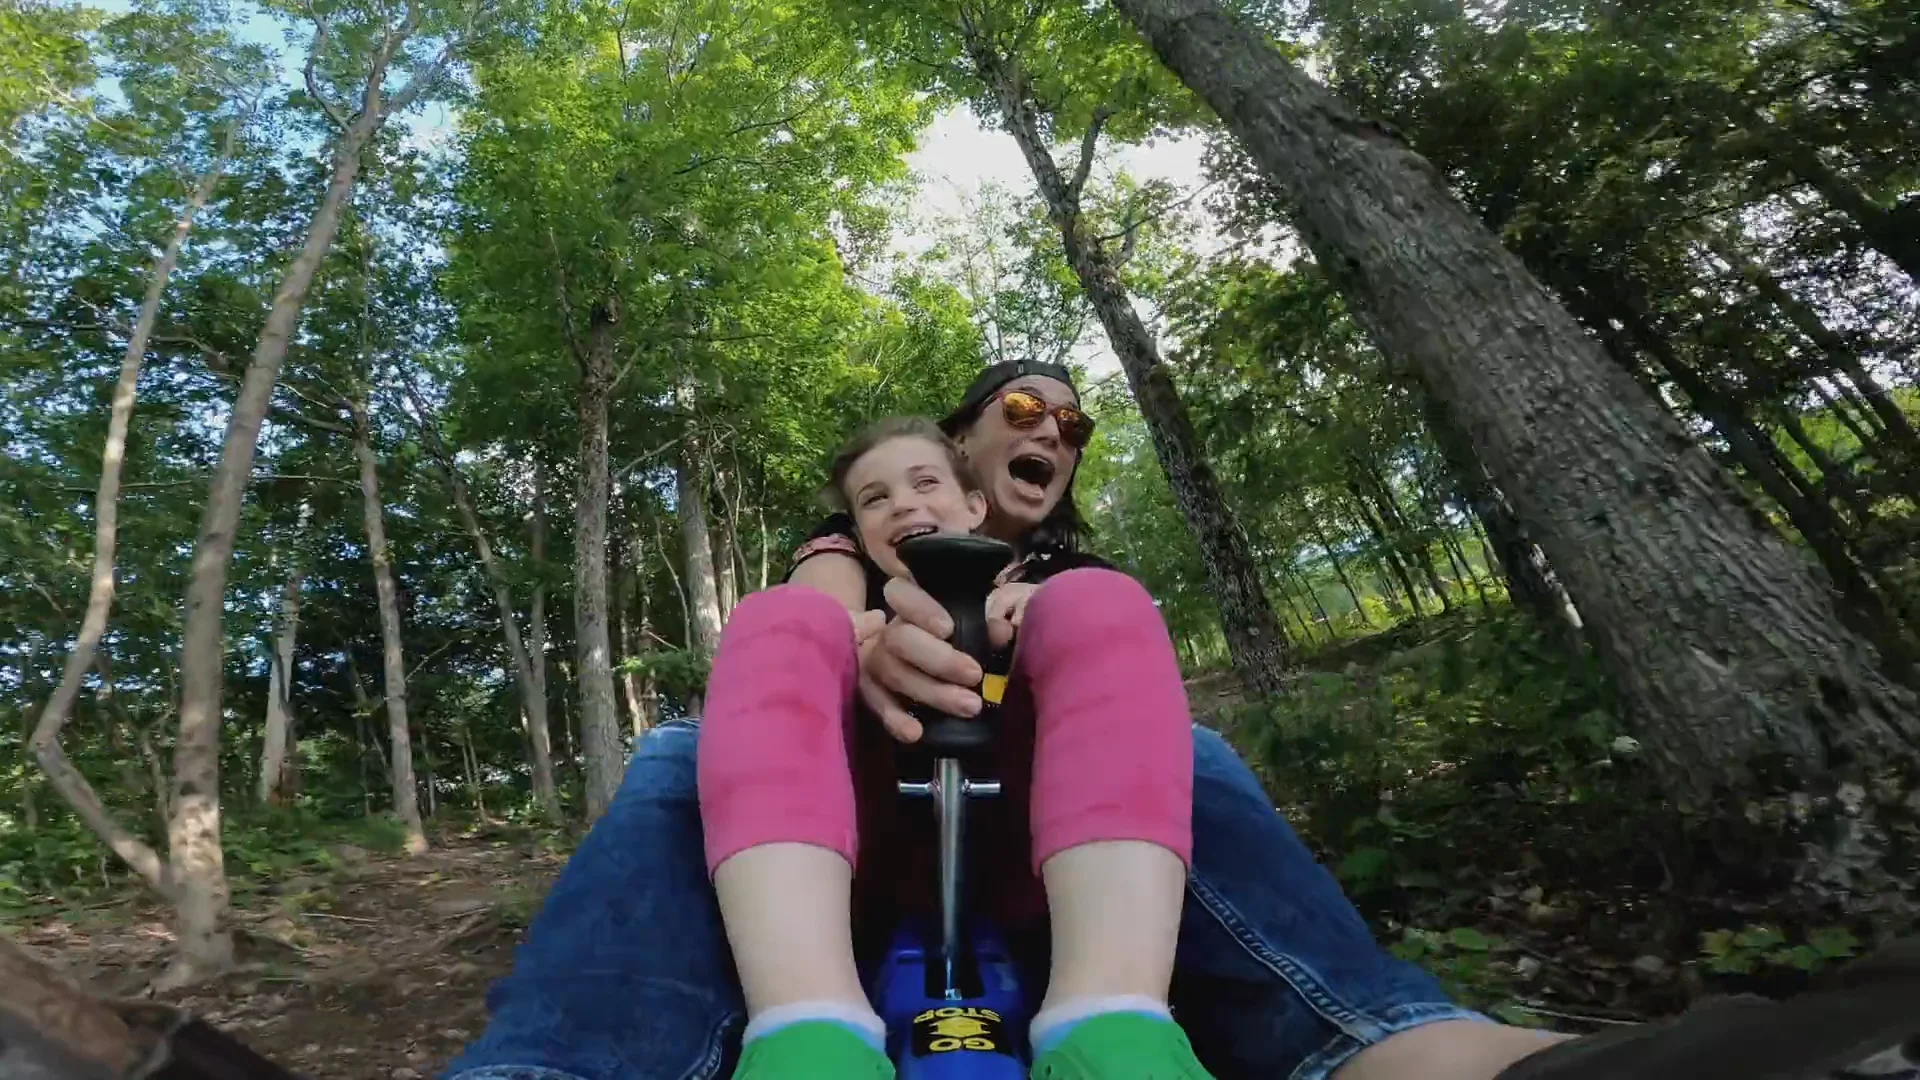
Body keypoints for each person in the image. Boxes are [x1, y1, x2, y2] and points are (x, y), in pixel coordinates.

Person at [446, 360, 1918, 1080]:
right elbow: (809, 611)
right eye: (1020, 415)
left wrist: (1038, 613)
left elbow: (1090, 631)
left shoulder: (1075, 582)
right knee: (682, 744)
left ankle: (1398, 1048)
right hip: (833, 862)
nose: (1051, 437)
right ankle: (614, 1058)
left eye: (1071, 429)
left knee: (1168, 709)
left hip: (1064, 883)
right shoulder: (836, 563)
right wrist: (870, 621)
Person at [699, 416, 1209, 1078]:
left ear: (976, 507)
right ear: (857, 530)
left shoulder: (1044, 590)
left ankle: (1112, 1020)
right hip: (859, 867)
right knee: (773, 619)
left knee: (1100, 602)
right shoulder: (851, 603)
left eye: (925, 483)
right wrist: (862, 648)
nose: (903, 503)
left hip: (1035, 857)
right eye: (874, 499)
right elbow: (814, 620)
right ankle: (806, 1032)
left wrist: (1037, 618)